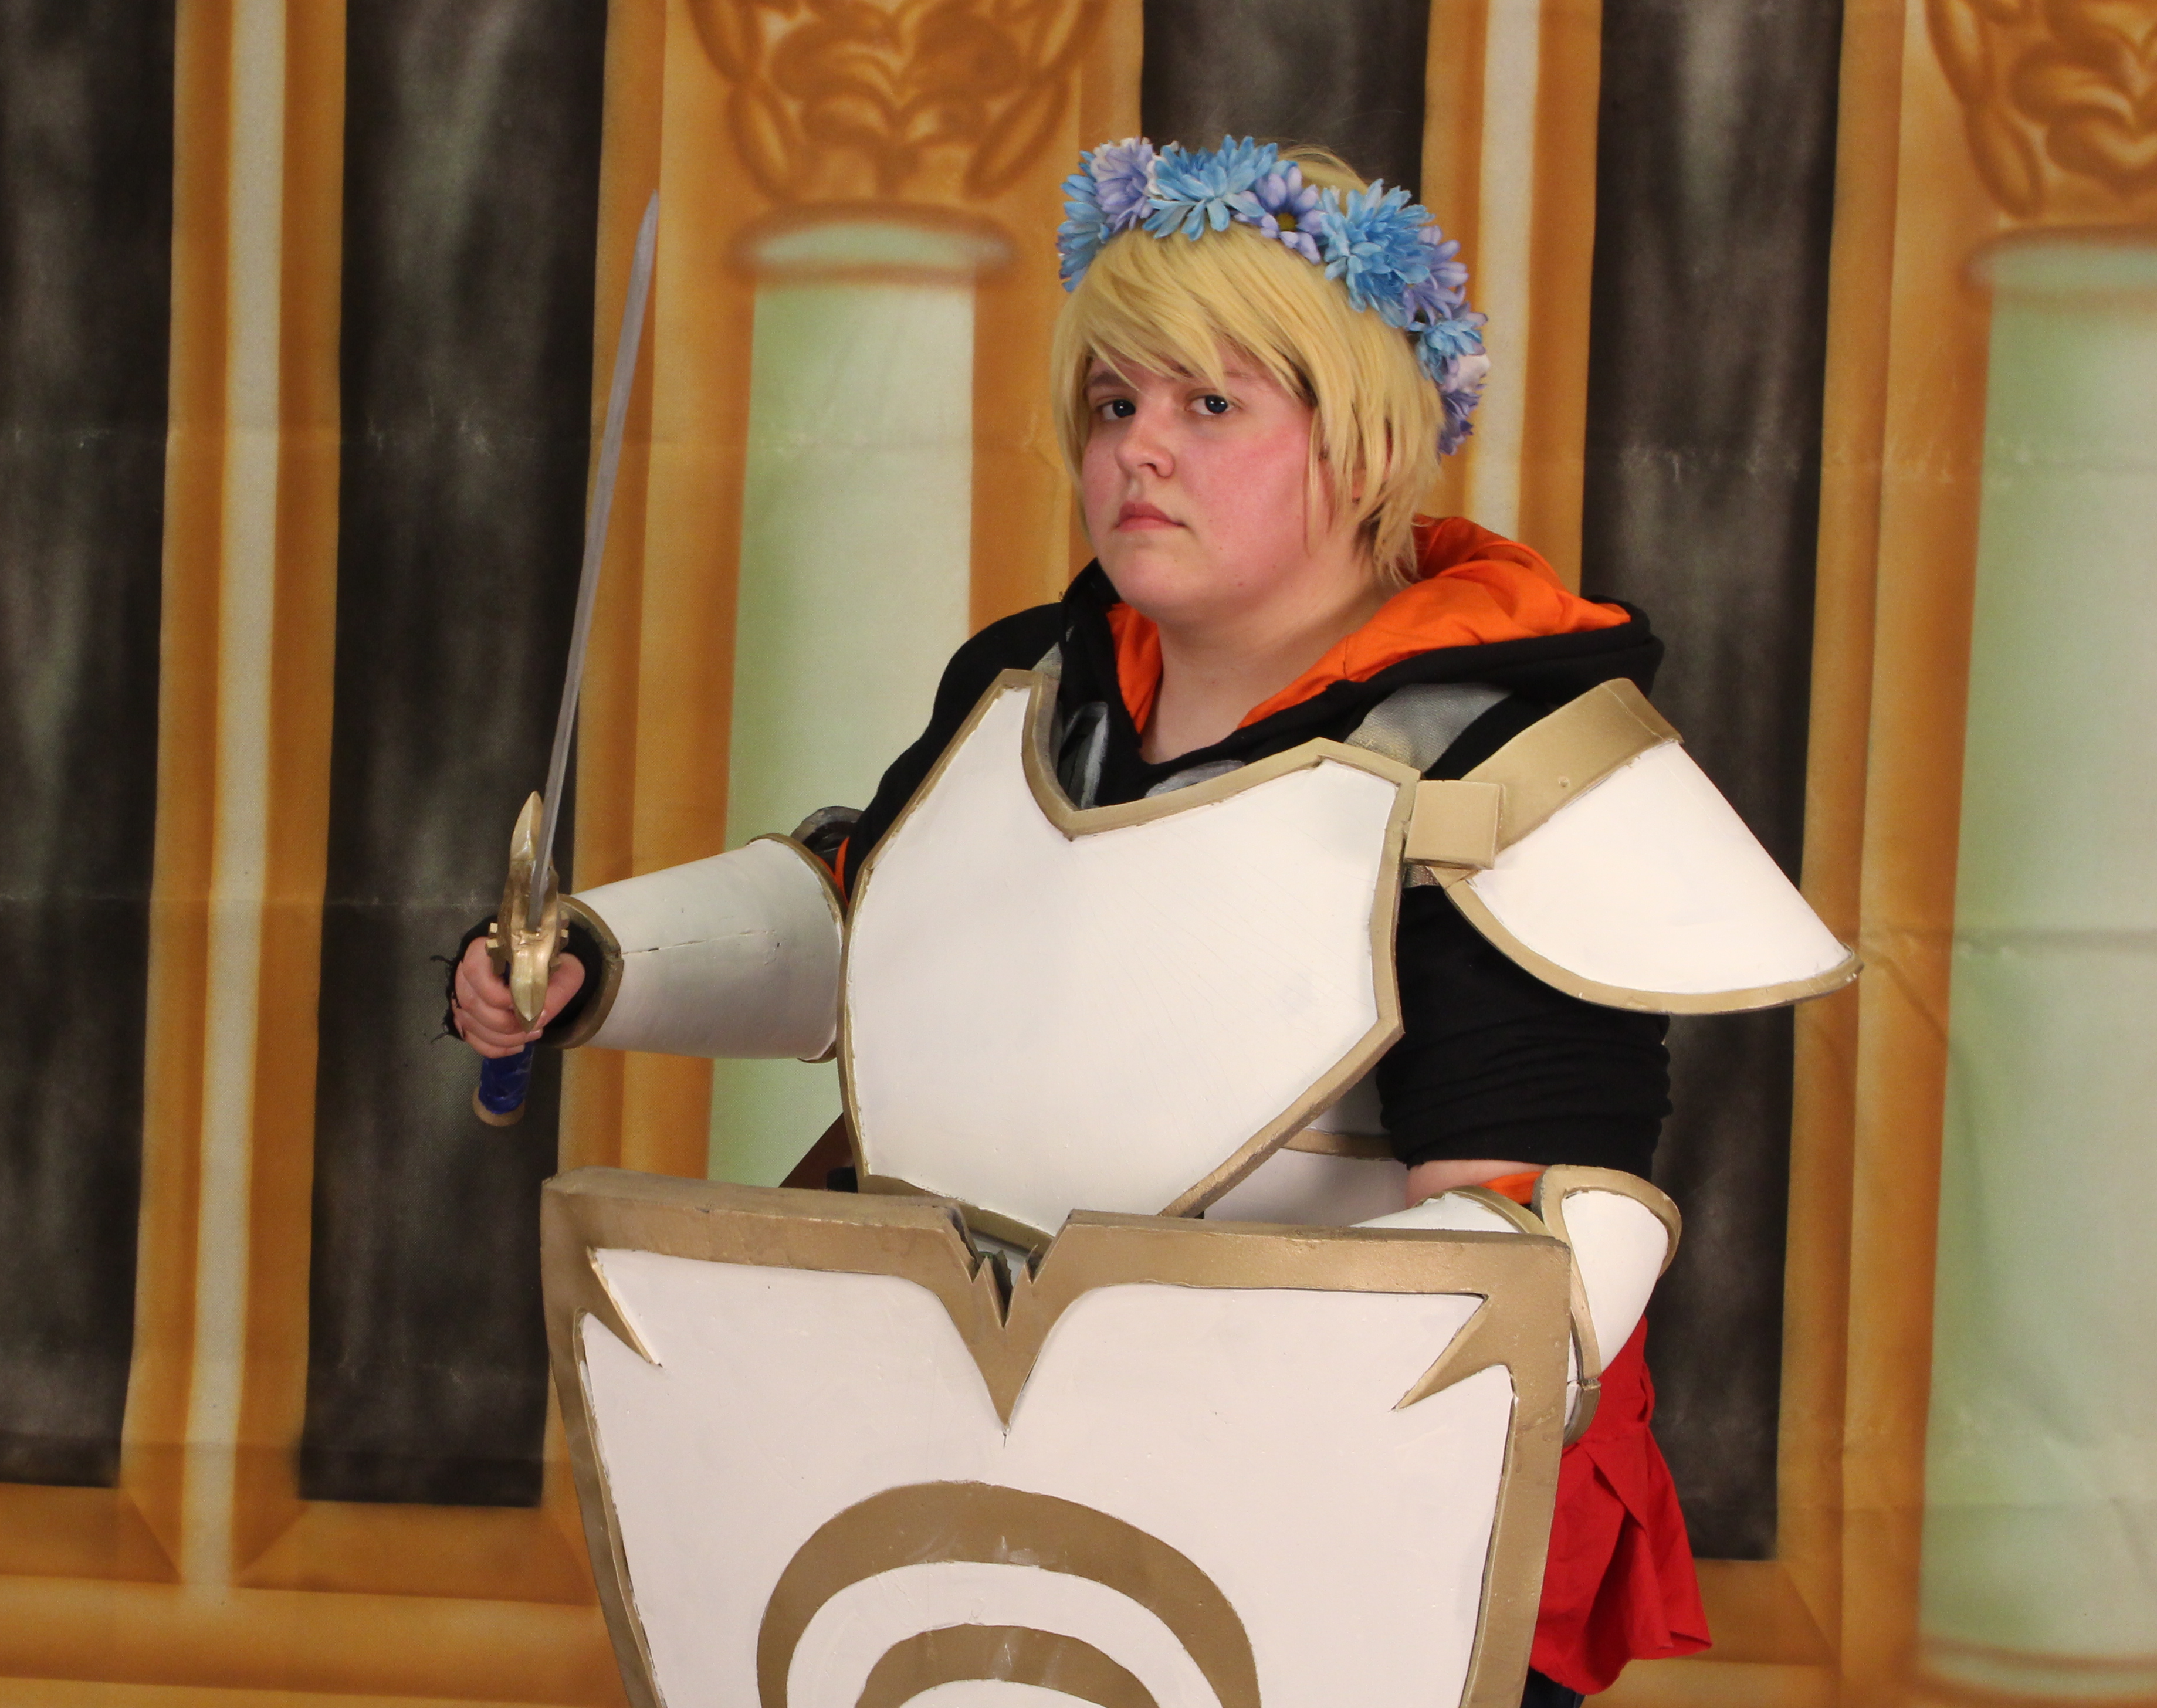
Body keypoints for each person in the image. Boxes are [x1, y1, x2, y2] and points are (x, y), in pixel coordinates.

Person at [456, 138, 1804, 1704]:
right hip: (960, 1471)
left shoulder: (1507, 761)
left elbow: (1538, 1255)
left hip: (1348, 1536)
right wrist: (595, 963)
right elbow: (879, 912)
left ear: (1363, 444)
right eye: (1113, 405)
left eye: (1209, 404)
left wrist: (1172, 1411)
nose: (1140, 450)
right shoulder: (1030, 686)